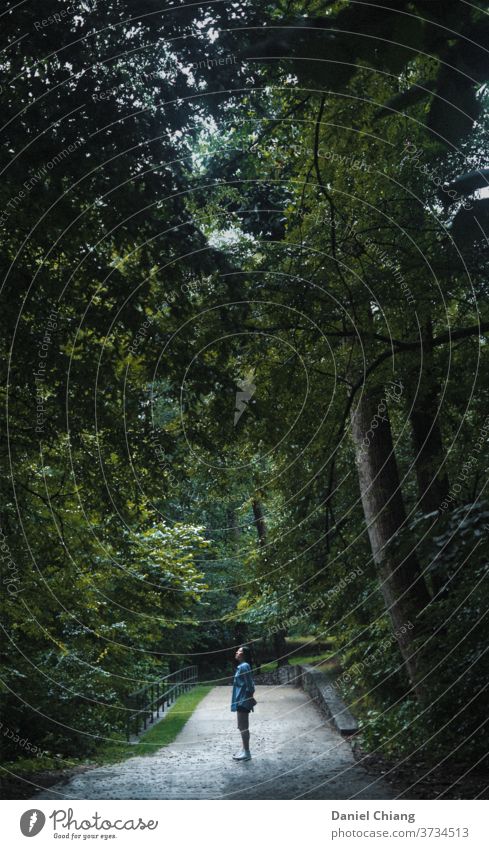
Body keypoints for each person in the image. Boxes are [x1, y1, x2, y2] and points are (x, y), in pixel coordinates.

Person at [231, 645, 255, 761]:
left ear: (244, 654)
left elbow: (250, 685)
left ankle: (247, 752)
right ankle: (244, 749)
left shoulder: (244, 666)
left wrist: (247, 699)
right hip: (241, 700)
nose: (236, 652)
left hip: (243, 700)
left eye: (239, 651)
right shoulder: (241, 666)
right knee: (241, 726)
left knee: (243, 727)